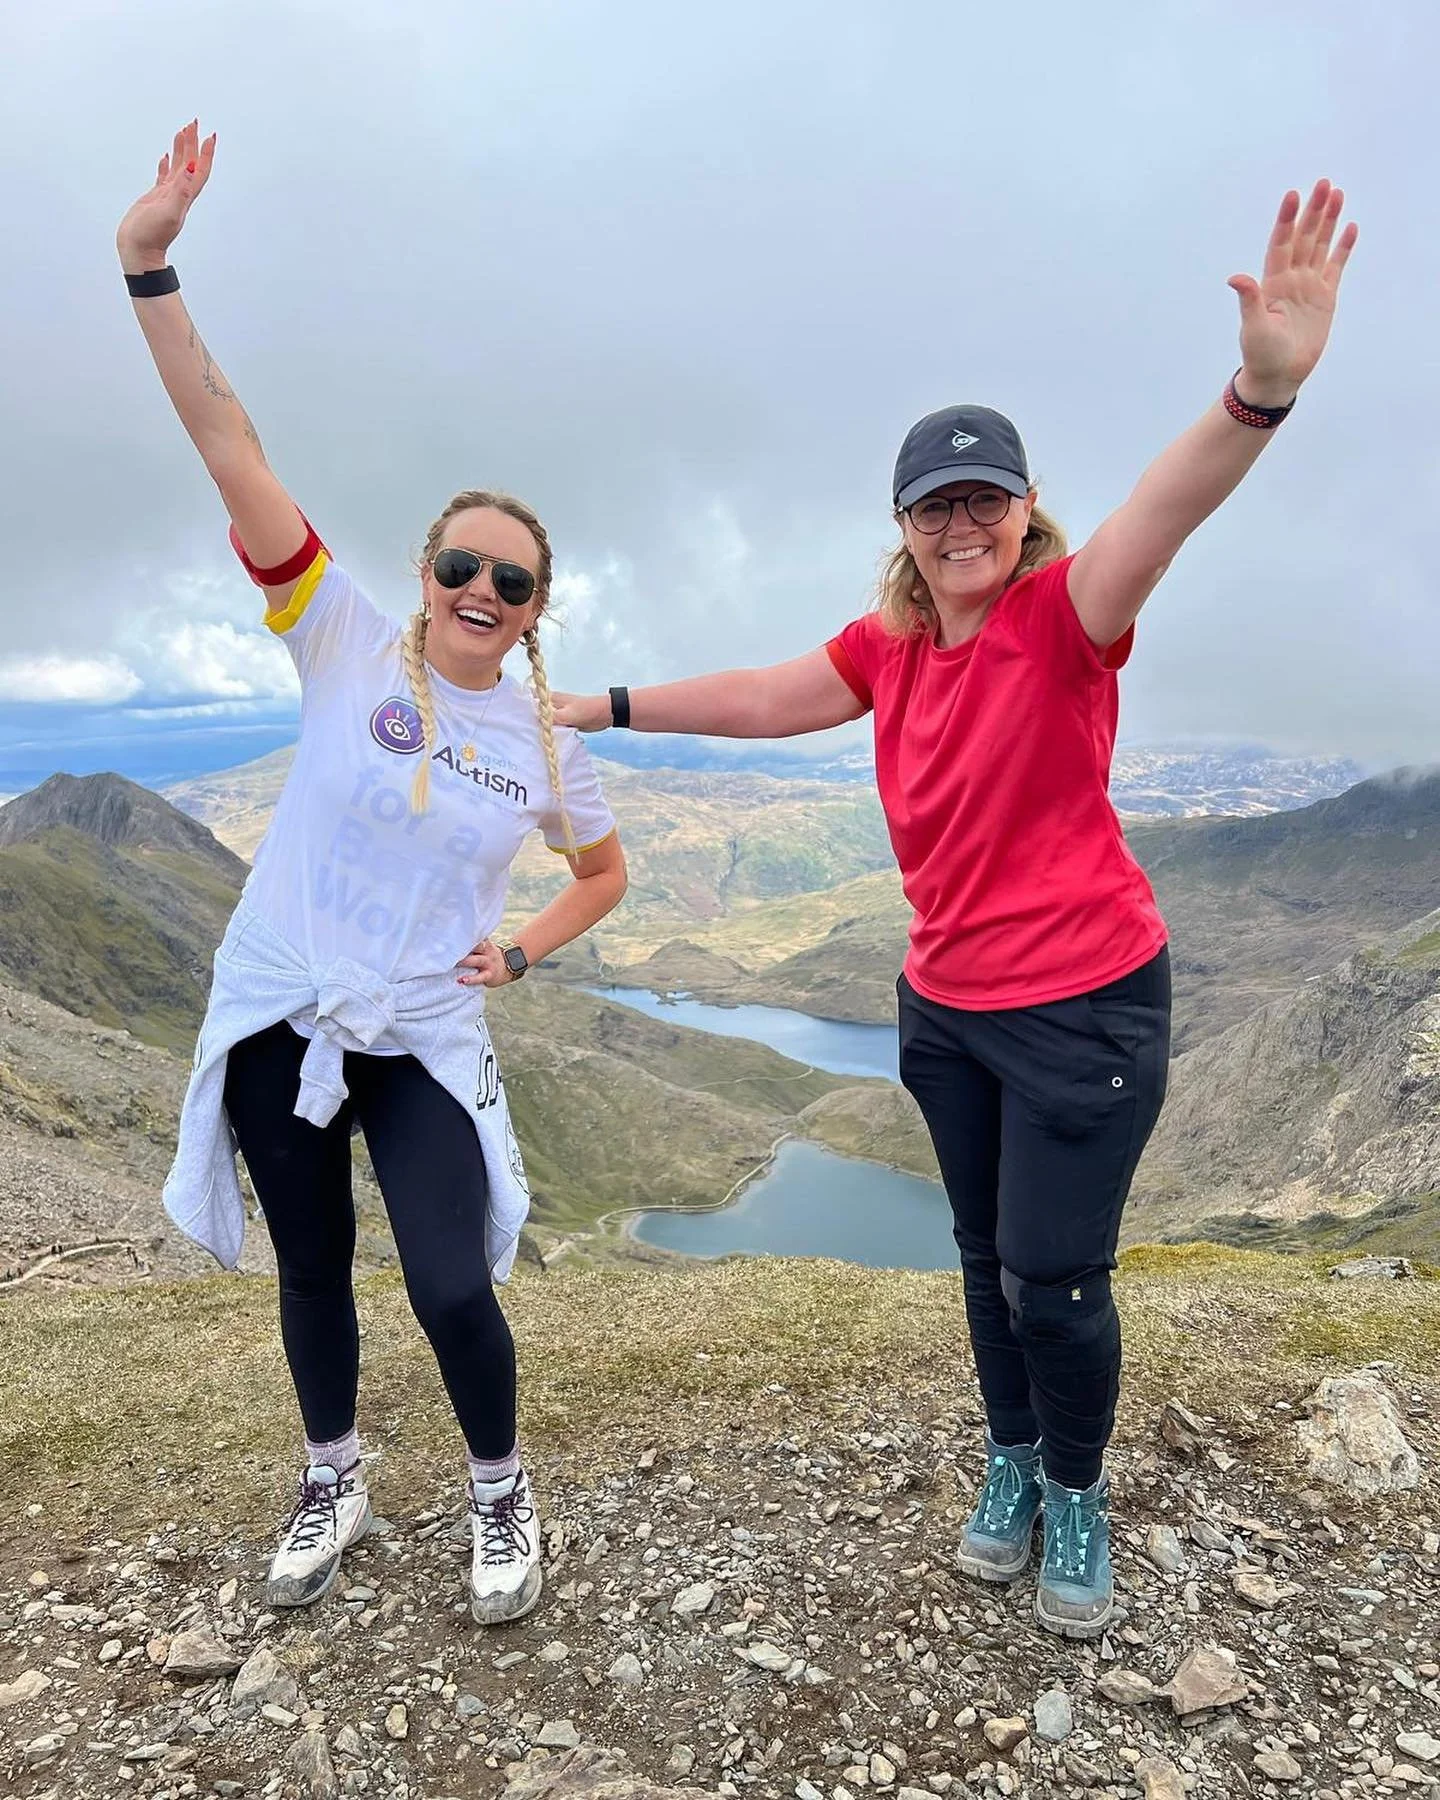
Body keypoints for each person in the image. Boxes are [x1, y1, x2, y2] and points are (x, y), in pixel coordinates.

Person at [555, 182, 1356, 1638]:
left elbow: (1163, 514)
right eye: (938, 505)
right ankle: (1009, 1460)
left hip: (1087, 1010)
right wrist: (603, 704)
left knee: (1056, 1275)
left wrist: (1260, 390)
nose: (963, 522)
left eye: (987, 498)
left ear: (1026, 510)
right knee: (984, 1261)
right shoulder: (892, 646)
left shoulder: (1071, 619)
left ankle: (1080, 1489)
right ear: (907, 527)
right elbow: (757, 698)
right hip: (945, 1016)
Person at [120, 122, 627, 1625]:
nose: (481, 590)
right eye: (460, 566)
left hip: (419, 1030)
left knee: (452, 1281)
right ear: (423, 575)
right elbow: (232, 447)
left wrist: (521, 950)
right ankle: (332, 1474)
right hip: (288, 1007)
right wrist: (150, 265)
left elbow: (601, 876)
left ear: (538, 612)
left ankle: (499, 1491)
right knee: (313, 1271)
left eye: (512, 581)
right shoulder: (339, 638)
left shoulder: (546, 740)